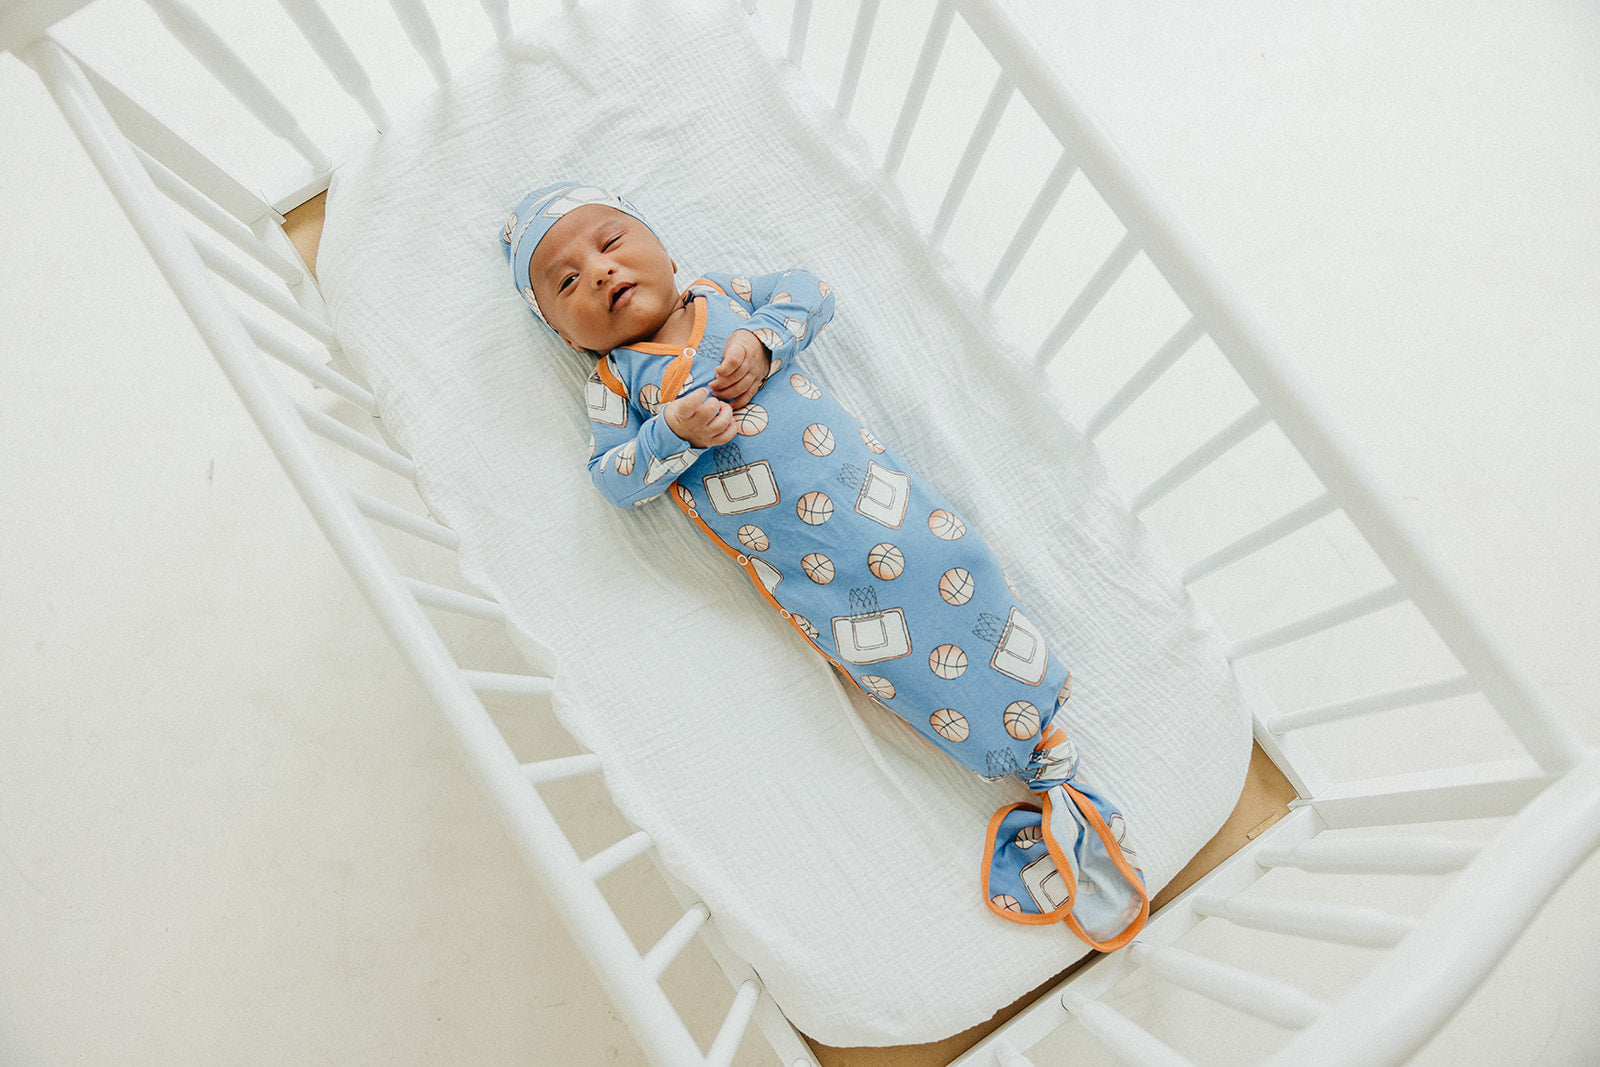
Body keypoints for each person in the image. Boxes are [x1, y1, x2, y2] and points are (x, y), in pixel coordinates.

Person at [501, 181, 1148, 949]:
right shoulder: (616, 387)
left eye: (610, 243)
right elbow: (615, 479)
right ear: (565, 335)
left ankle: (1040, 731)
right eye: (566, 281)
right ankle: (1019, 758)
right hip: (820, 577)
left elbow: (811, 291)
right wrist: (672, 432)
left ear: (666, 252)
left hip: (897, 512)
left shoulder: (725, 296)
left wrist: (763, 342)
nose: (600, 271)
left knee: (960, 568)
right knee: (894, 659)